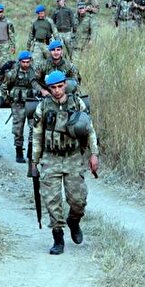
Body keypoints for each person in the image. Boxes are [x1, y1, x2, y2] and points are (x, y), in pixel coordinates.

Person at [31, 70, 99, 254]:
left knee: (78, 200)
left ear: (65, 85)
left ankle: (74, 221)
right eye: (53, 88)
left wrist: (94, 154)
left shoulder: (77, 103)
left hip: (73, 157)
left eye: (60, 86)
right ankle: (58, 237)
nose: (57, 91)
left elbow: (90, 129)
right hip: (51, 157)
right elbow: (37, 134)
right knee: (51, 200)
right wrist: (34, 162)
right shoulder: (43, 106)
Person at [0, 51, 37, 163]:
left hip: (31, 102)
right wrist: (6, 98)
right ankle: (19, 151)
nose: (25, 64)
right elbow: (4, 86)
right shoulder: (14, 72)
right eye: (23, 62)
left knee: (34, 127)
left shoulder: (34, 71)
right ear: (20, 62)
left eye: (27, 62)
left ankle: (31, 151)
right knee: (18, 128)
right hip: (17, 103)